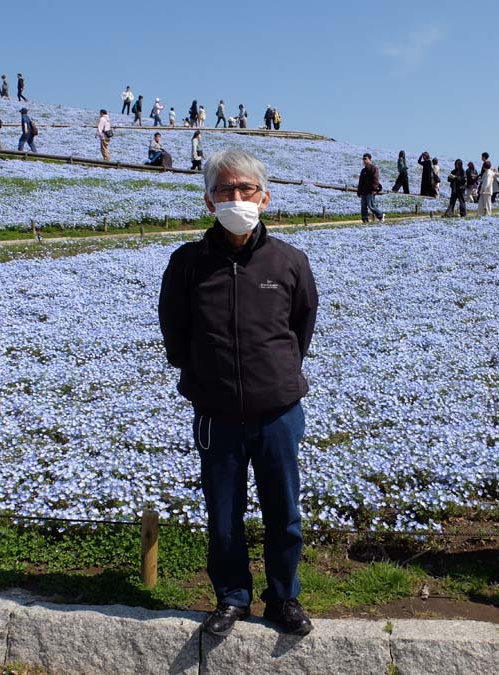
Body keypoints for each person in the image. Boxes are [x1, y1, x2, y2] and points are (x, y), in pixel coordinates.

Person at [159, 148, 317, 639]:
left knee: (284, 514)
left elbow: (301, 327)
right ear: (209, 201)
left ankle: (283, 598)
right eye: (225, 190)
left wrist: (276, 374)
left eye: (245, 189)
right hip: (217, 413)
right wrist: (208, 377)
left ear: (264, 197)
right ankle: (231, 598)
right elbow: (175, 332)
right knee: (223, 515)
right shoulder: (187, 264)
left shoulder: (289, 261)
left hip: (278, 412)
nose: (236, 197)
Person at [357, 153, 385, 223]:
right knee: (363, 206)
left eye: (365, 159)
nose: (364, 160)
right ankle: (365, 220)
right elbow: (360, 182)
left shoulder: (374, 168)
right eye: (363, 159)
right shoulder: (363, 170)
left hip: (371, 191)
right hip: (364, 191)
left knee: (371, 206)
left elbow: (376, 180)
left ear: (370, 159)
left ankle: (381, 215)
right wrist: (359, 191)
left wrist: (375, 189)